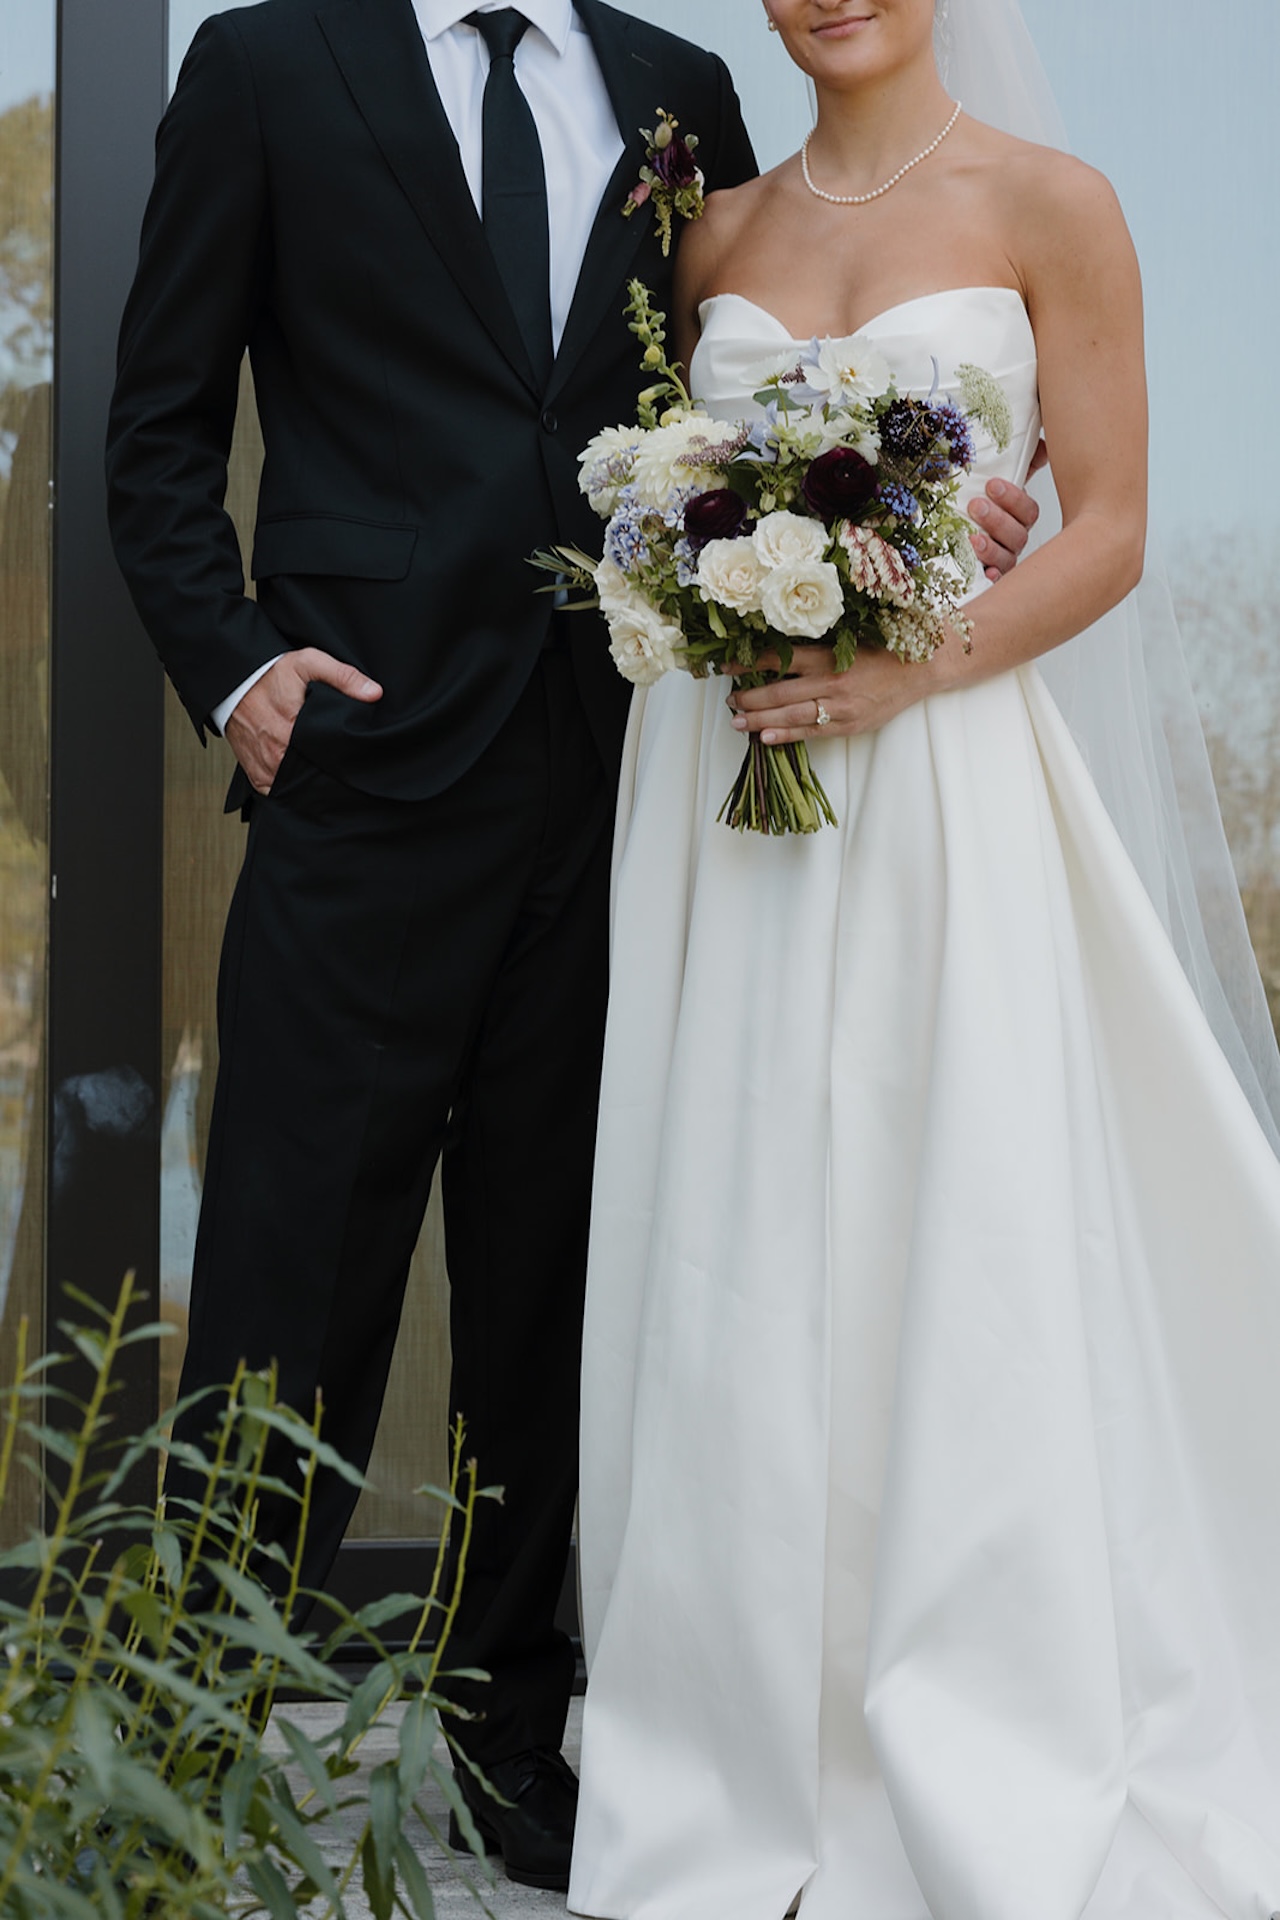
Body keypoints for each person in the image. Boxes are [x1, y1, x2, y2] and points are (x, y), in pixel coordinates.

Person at [103, 0, 1037, 1893]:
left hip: (623, 792)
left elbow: (742, 406)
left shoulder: (679, 92)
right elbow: (155, 433)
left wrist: (935, 513)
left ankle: (515, 1734)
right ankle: (194, 1742)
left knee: (555, 1297)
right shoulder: (269, 67)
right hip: (361, 778)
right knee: (296, 1277)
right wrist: (243, 673)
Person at [569, 2, 1280, 1917]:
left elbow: (1111, 525)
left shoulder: (1057, 205)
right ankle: (733, 1725)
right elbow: (639, 477)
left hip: (940, 781)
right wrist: (686, 549)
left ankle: (962, 1701)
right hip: (720, 802)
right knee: (733, 1224)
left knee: (936, 1201)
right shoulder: (705, 237)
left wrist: (908, 657)